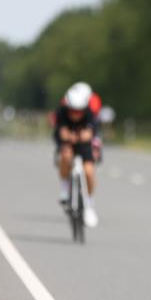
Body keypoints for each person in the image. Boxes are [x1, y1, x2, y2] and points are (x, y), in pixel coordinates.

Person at [54, 82, 99, 227]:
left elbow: (91, 131)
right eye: (72, 110)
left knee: (89, 172)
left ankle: (89, 204)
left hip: (83, 143)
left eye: (79, 111)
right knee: (65, 156)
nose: (75, 114)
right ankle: (64, 189)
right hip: (67, 142)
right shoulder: (61, 112)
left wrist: (84, 135)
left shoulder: (89, 113)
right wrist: (67, 136)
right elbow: (61, 131)